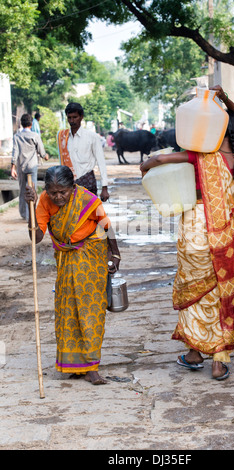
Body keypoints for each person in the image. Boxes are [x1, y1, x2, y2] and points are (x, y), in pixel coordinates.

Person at [140, 85, 234, 381]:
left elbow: (160, 160)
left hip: (196, 230)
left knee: (193, 290)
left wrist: (146, 164)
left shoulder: (200, 156)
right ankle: (219, 359)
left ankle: (194, 352)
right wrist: (224, 96)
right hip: (225, 233)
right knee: (220, 289)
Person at [24, 165, 121, 385]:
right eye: (53, 192)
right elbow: (36, 237)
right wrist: (30, 208)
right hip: (66, 258)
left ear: (72, 187)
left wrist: (115, 254)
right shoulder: (43, 202)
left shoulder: (87, 199)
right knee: (68, 311)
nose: (58, 197)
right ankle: (75, 365)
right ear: (46, 190)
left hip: (92, 256)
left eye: (63, 192)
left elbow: (106, 224)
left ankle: (92, 367)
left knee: (91, 311)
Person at [57, 102, 109, 202]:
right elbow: (61, 163)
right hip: (69, 185)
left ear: (81, 117)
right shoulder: (63, 137)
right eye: (69, 118)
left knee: (88, 215)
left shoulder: (92, 137)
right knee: (71, 216)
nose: (72, 121)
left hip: (88, 182)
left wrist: (104, 187)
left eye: (75, 117)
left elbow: (101, 162)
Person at [11, 113, 49, 221]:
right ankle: (30, 215)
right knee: (32, 189)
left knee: (23, 189)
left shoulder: (17, 136)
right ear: (31, 124)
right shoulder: (34, 136)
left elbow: (15, 152)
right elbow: (42, 152)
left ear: (21, 124)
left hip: (21, 166)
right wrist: (45, 156)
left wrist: (12, 168)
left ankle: (23, 213)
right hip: (32, 166)